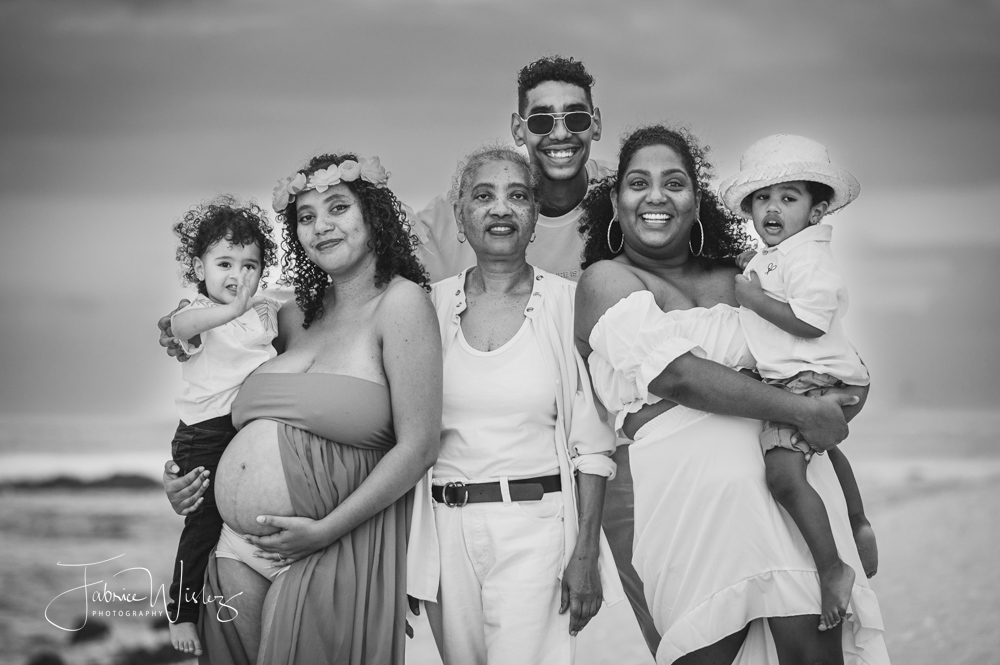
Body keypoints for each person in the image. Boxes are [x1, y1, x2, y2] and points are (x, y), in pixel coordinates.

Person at [575, 125, 890, 664]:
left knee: (812, 655)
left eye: (674, 183)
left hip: (789, 495)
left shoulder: (748, 277)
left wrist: (843, 401)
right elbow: (679, 377)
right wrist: (801, 409)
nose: (655, 196)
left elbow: (826, 359)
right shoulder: (604, 281)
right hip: (688, 509)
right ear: (615, 199)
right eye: (637, 183)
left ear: (697, 202)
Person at [160, 153, 442, 665]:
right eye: (306, 217)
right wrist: (188, 481)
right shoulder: (287, 317)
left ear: (372, 216)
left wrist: (324, 530)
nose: (321, 226)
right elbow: (214, 387)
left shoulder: (401, 304)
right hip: (232, 549)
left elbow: (419, 447)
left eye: (338, 208)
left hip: (330, 545)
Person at [405, 145, 624, 665]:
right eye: (484, 196)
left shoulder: (570, 305)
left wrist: (586, 553)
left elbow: (593, 445)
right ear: (460, 217)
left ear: (534, 219)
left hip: (537, 528)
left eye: (517, 196)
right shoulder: (423, 307)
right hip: (440, 534)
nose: (501, 209)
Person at [720, 133, 879, 631]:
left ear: (815, 211)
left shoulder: (806, 256)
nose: (773, 207)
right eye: (763, 197)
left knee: (783, 475)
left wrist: (751, 299)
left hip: (817, 379)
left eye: (789, 198)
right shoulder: (778, 254)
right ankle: (855, 517)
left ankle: (833, 568)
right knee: (821, 448)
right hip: (817, 376)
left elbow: (809, 320)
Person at [165, 197, 280, 656]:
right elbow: (180, 325)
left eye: (249, 265)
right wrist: (230, 310)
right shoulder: (197, 312)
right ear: (201, 265)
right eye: (225, 263)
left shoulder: (262, 309)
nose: (237, 275)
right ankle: (181, 611)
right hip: (204, 432)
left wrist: (254, 307)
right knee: (203, 524)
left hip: (238, 432)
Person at [414, 55, 609, 283]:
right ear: (518, 130)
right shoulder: (449, 217)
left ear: (596, 125)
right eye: (541, 121)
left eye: (576, 118)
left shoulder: (628, 196)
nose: (560, 133)